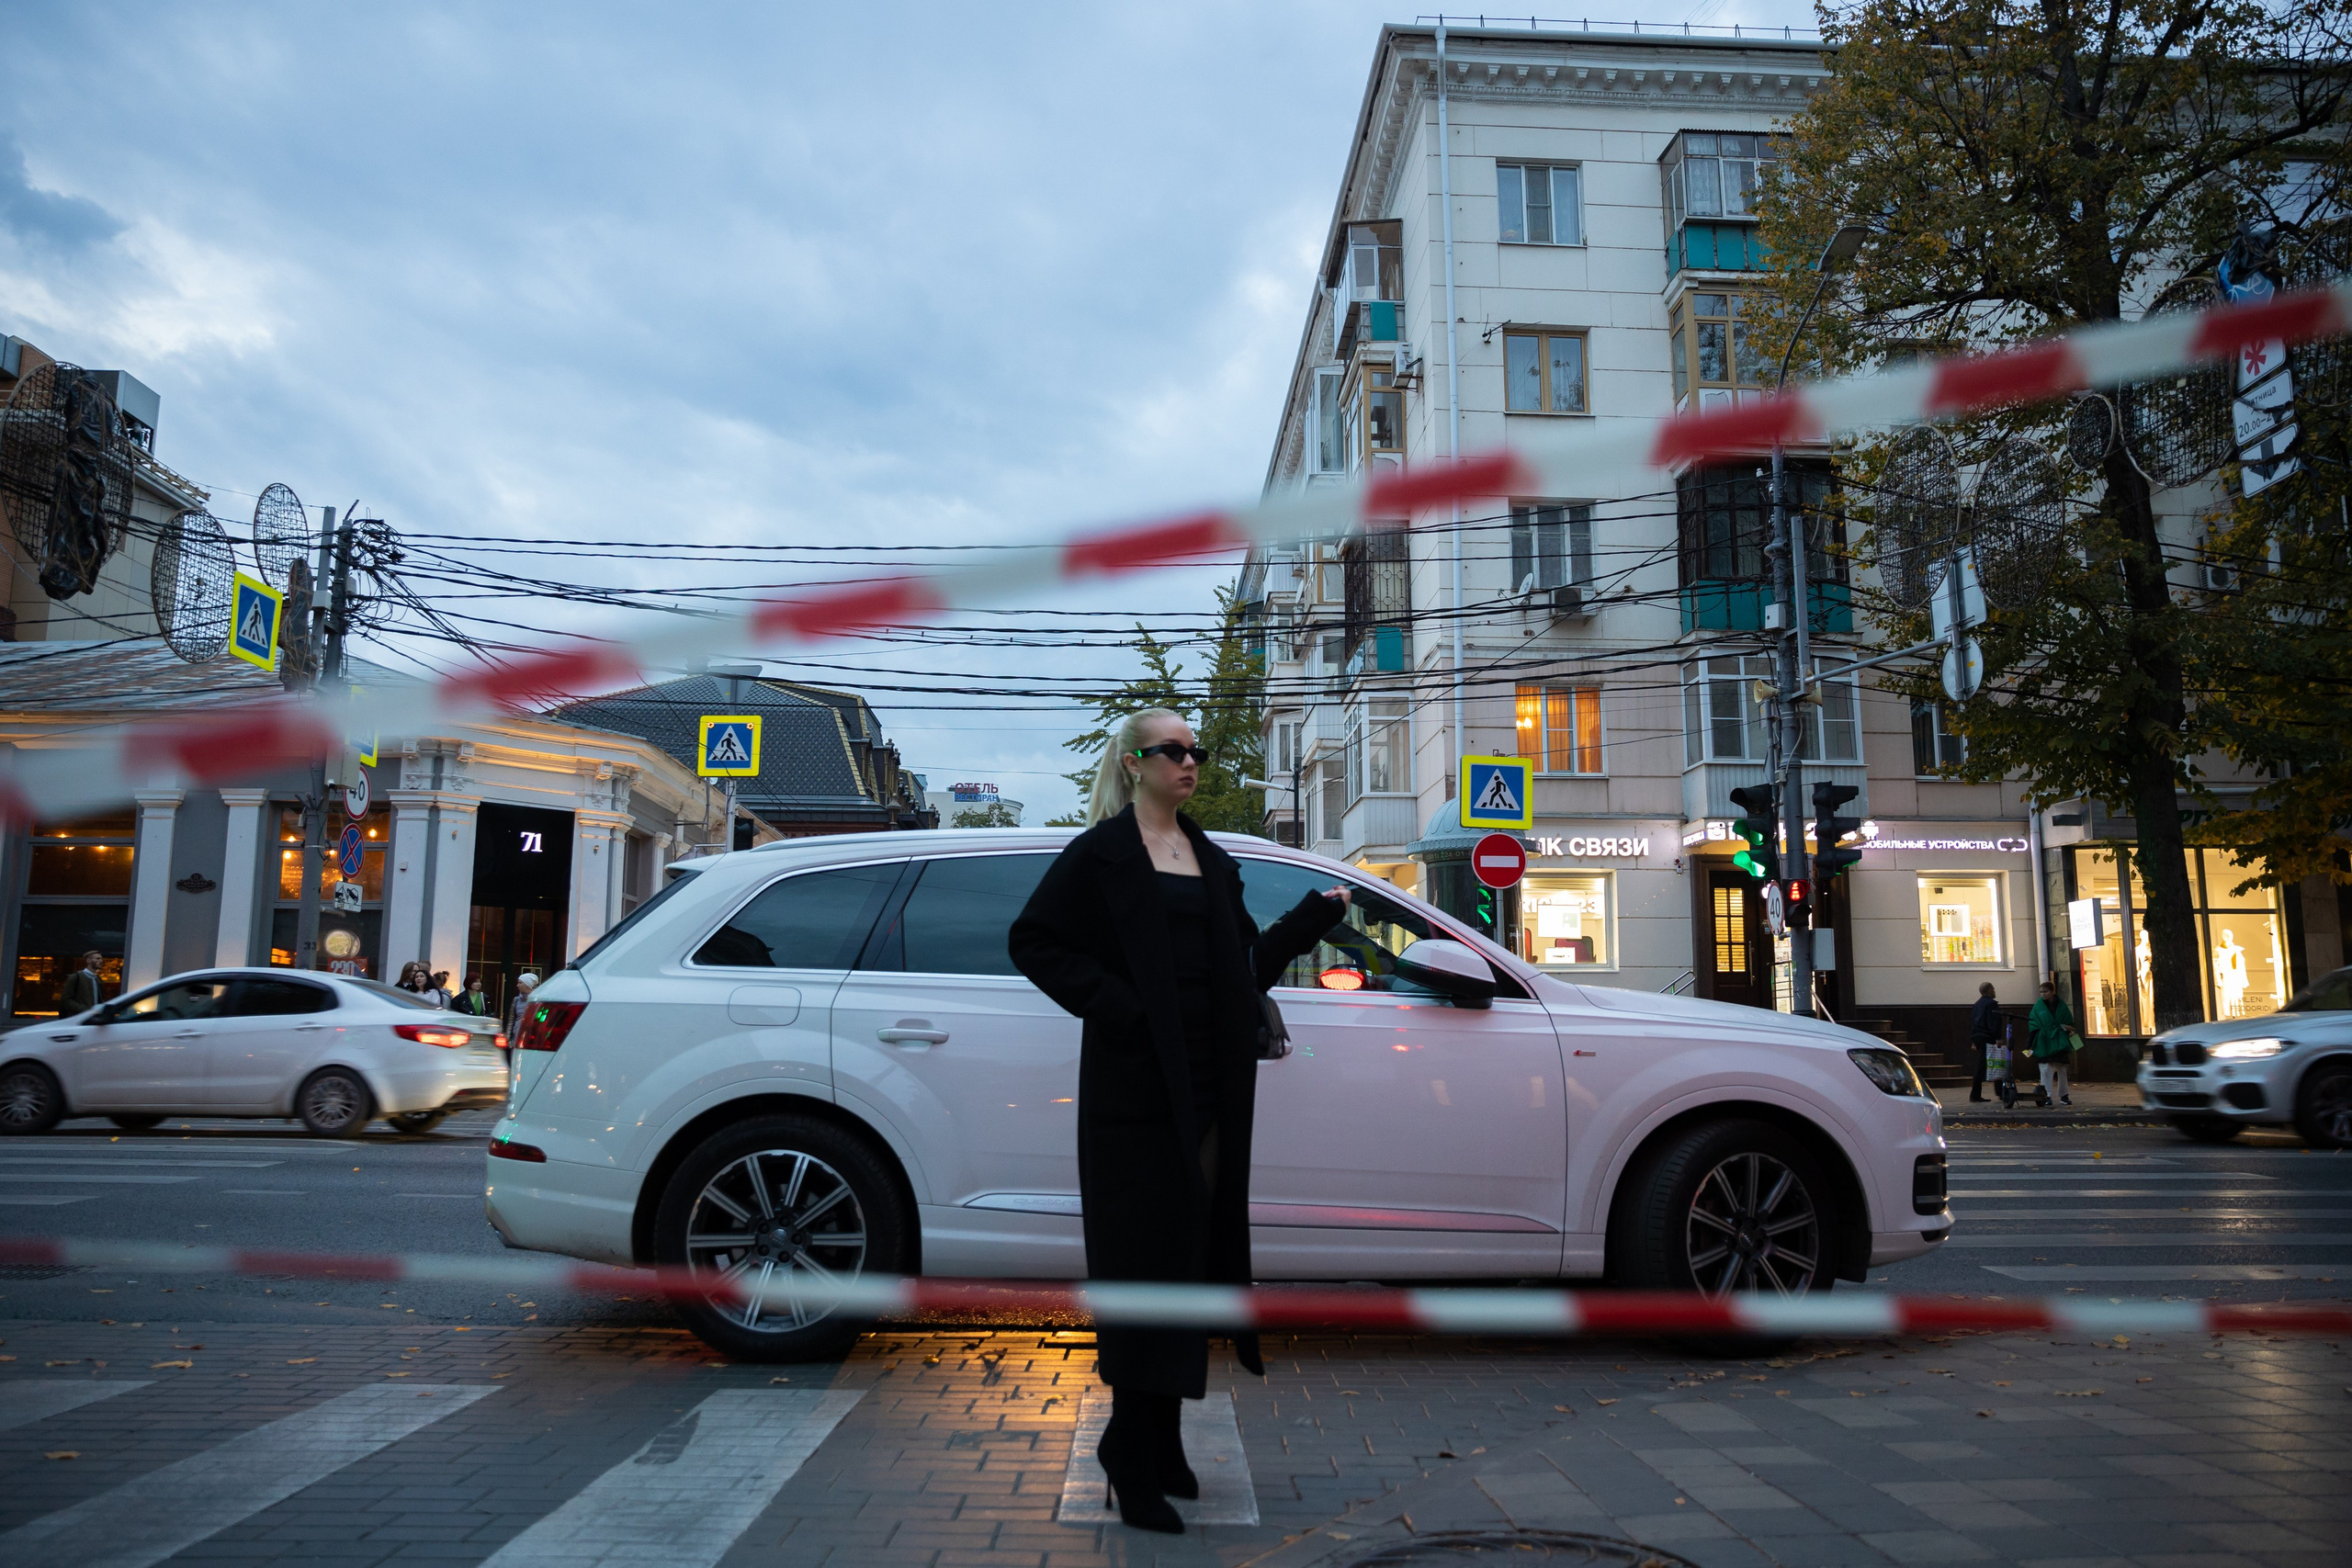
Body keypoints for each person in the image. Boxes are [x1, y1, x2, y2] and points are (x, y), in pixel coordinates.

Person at [1010, 707, 1350, 1535]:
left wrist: (1311, 920)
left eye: (1195, 749)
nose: (1191, 761)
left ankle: (1160, 1440)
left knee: (1192, 1259)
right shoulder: (1102, 855)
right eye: (1174, 750)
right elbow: (1034, 942)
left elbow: (1240, 972)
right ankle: (1131, 1447)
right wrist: (1122, 1010)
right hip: (1134, 1095)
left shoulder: (1210, 856)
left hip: (1210, 1091)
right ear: (1134, 763)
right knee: (1143, 1266)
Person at [2028, 978, 2079, 1107]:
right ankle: (2047, 1095)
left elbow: (2070, 1022)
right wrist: (2028, 1046)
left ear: (2052, 992)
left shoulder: (2060, 1006)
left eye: (2045, 991)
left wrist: (2066, 1027)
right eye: (2041, 992)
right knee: (2046, 1069)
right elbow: (2033, 1026)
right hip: (2045, 1041)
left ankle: (2064, 1095)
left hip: (2057, 1041)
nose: (2043, 994)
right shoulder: (2039, 1007)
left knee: (2061, 1069)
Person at [1967, 981, 2000, 1102]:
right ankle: (1975, 1095)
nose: (1995, 991)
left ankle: (2000, 1092)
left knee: (1988, 1063)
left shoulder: (1977, 1004)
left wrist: (1974, 1040)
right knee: (1991, 1063)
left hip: (1978, 1036)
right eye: (1994, 989)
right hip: (1988, 1036)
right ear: (1989, 991)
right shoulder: (1991, 1004)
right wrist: (1998, 1037)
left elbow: (1974, 1023)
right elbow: (1994, 1022)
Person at [61, 950, 106, 1016]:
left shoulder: (98, 979)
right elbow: (66, 1000)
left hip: (93, 1018)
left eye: (101, 959)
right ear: (88, 960)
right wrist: (84, 1009)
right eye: (97, 959)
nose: (101, 961)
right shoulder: (75, 977)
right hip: (79, 1018)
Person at [508, 972, 539, 1040]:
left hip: (531, 1037)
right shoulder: (516, 1000)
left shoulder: (537, 1000)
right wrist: (508, 1038)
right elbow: (511, 1020)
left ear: (527, 985)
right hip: (516, 1036)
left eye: (520, 983)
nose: (517, 985)